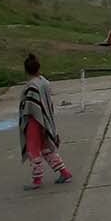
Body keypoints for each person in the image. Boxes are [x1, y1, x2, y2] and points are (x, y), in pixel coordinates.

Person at [19, 53, 72, 190]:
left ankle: (37, 180)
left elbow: (30, 106)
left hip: (34, 121)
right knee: (46, 148)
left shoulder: (32, 86)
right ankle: (64, 172)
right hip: (46, 120)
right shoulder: (44, 82)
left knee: (33, 150)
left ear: (26, 70)